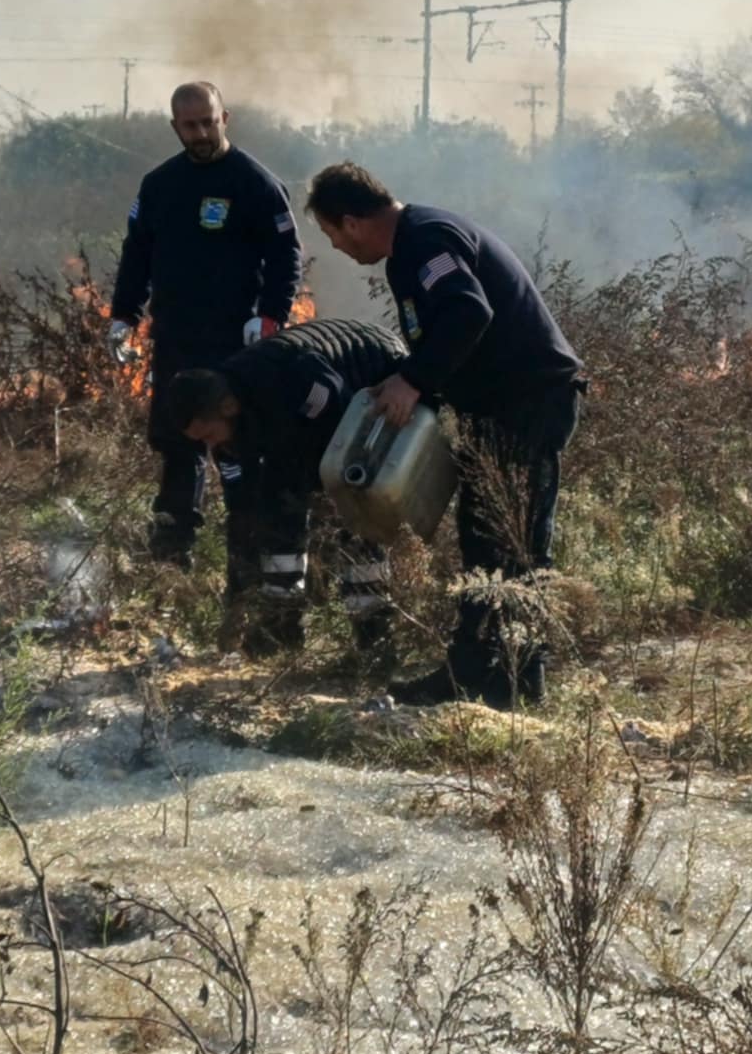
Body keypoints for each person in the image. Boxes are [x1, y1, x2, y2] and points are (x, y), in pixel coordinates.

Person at [305, 161, 584, 708]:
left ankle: (522, 684)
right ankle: (468, 673)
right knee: (483, 543)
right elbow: (446, 338)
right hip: (495, 407)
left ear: (352, 222)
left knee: (518, 543)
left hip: (529, 402)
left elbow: (466, 311)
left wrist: (413, 380)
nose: (336, 248)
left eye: (331, 234)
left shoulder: (425, 240)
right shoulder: (407, 251)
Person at [110, 81, 303, 582]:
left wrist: (271, 314)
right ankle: (173, 557)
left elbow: (286, 256)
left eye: (207, 122)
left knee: (240, 448)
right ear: (174, 127)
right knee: (178, 443)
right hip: (175, 336)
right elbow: (137, 253)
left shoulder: (255, 183)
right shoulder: (159, 185)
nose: (199, 133)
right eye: (188, 125)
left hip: (237, 345)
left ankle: (249, 555)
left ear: (225, 118)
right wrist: (123, 314)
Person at [160, 318, 406, 654]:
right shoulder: (230, 427)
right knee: (275, 507)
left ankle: (374, 634)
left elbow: (337, 406)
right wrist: (238, 596)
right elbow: (244, 510)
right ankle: (281, 628)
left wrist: (321, 487)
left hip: (373, 377)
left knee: (354, 514)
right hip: (301, 421)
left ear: (228, 408)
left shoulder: (284, 377)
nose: (210, 447)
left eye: (208, 435)